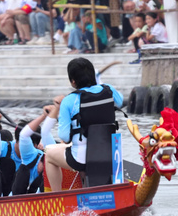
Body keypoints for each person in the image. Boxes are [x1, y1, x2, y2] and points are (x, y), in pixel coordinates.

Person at [44, 57, 123, 192]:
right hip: (111, 155)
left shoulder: (68, 100)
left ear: (73, 81)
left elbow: (64, 136)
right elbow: (120, 102)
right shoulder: (109, 89)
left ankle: (57, 197)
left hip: (81, 159)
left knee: (49, 155)